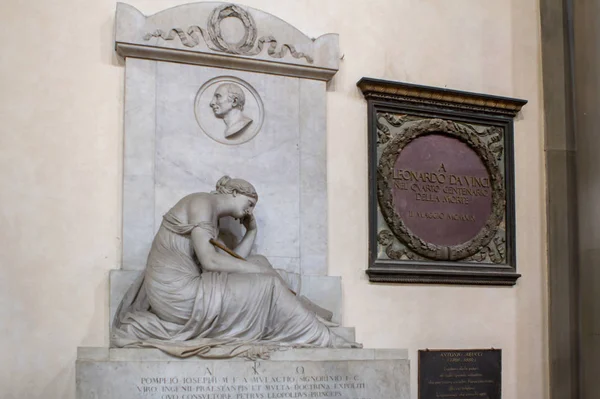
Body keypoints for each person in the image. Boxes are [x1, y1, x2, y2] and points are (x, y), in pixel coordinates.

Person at [112, 176, 359, 356]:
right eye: (249, 203)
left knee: (260, 263)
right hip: (178, 295)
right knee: (268, 283)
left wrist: (252, 231)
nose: (248, 212)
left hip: (183, 288)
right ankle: (321, 334)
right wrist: (263, 274)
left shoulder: (207, 212)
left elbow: (232, 261)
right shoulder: (202, 204)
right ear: (233, 192)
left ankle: (310, 317)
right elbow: (211, 262)